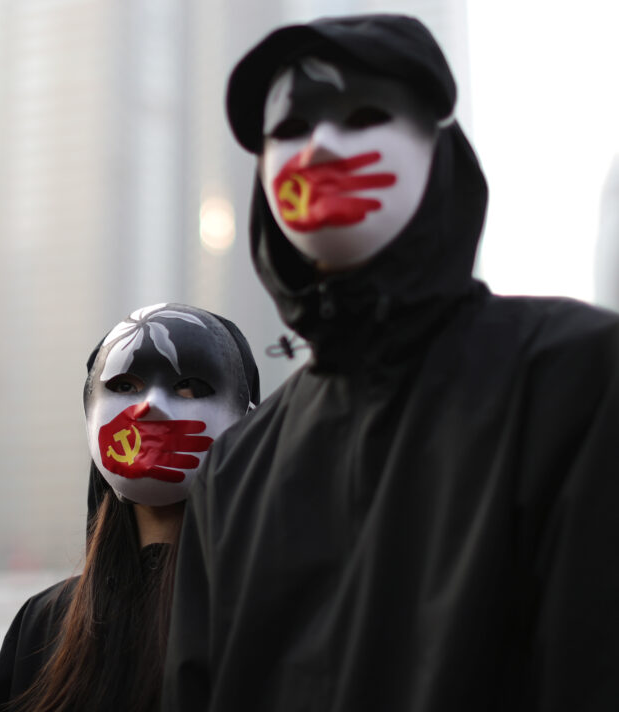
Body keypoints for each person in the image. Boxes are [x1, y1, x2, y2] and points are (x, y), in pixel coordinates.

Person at [162, 13, 619, 711]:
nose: (318, 149)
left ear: (439, 153)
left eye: (364, 113)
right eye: (288, 128)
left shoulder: (574, 375)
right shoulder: (234, 469)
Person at [0, 303, 259, 712]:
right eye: (125, 385)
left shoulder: (276, 618)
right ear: (89, 411)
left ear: (247, 419)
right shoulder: (42, 626)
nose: (149, 406)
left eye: (190, 386)